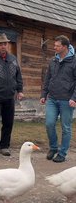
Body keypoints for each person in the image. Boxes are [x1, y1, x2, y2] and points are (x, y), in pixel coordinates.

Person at [40, 35, 76, 163]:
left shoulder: (74, 60)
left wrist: (74, 98)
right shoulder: (53, 60)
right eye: (54, 45)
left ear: (65, 47)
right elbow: (48, 78)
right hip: (52, 99)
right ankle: (53, 148)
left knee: (66, 127)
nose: (54, 47)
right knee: (49, 124)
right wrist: (44, 94)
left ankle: (62, 153)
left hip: (67, 100)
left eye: (57, 46)